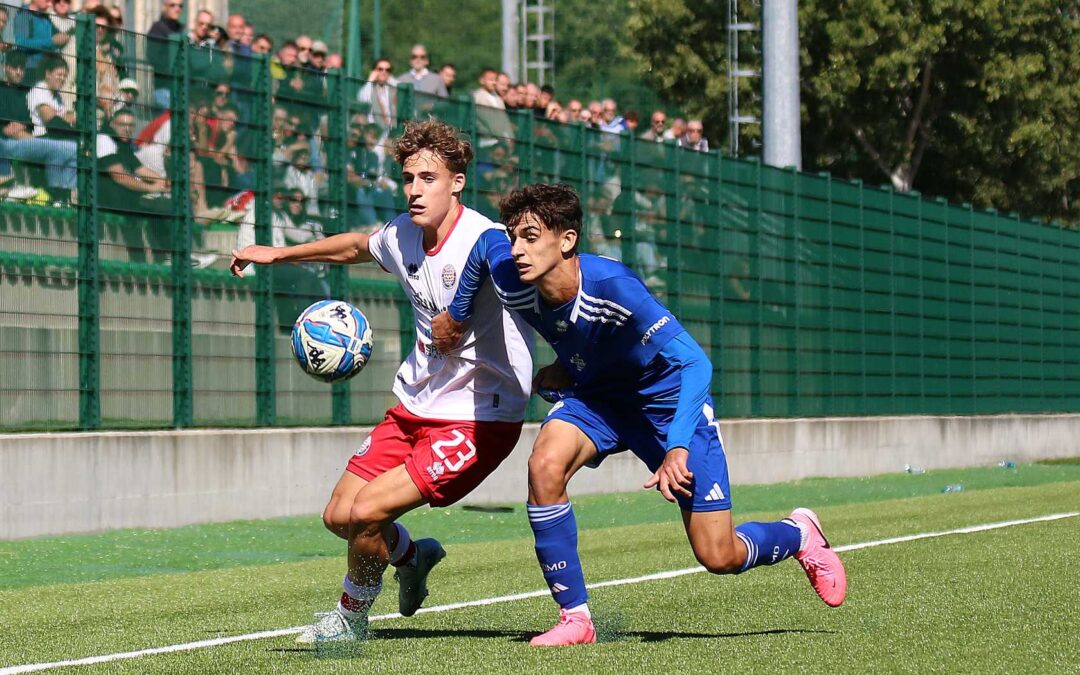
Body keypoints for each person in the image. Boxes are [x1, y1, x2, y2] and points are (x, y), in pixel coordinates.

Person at [431, 183, 847, 646]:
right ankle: (576, 619)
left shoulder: (614, 286)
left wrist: (678, 447)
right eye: (515, 236)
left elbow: (696, 364)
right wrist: (457, 314)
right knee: (544, 466)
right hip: (598, 399)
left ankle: (798, 535)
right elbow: (484, 247)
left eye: (530, 236)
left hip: (665, 405)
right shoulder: (511, 270)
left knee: (719, 555)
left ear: (567, 240)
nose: (517, 248)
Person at [229, 119, 534, 646]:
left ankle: (350, 619)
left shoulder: (485, 240)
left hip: (478, 417)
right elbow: (355, 246)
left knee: (368, 511)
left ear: (457, 182)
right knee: (339, 516)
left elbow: (522, 278)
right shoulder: (403, 232)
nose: (415, 190)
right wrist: (277, 253)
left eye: (428, 178)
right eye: (408, 178)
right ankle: (414, 557)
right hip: (415, 406)